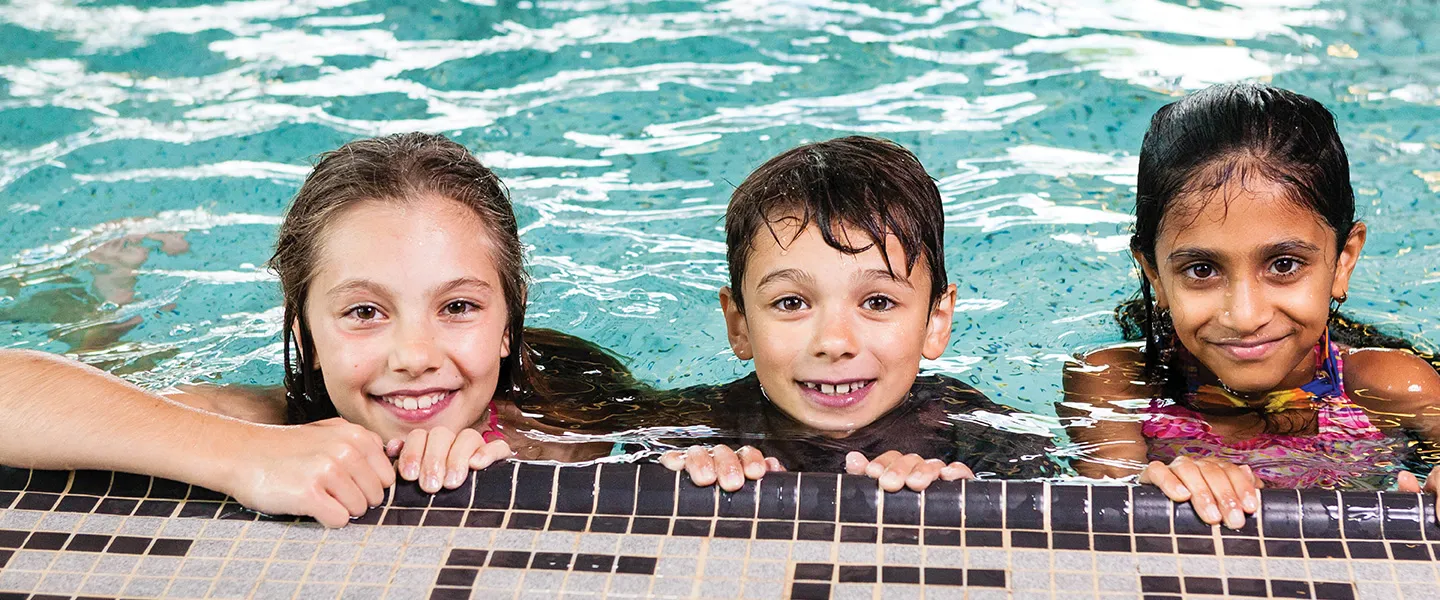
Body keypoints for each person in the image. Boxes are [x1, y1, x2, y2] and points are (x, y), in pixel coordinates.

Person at [0, 133, 613, 526]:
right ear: (306, 336)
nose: (415, 356)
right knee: (111, 369)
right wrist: (245, 456)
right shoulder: (259, 421)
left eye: (458, 307)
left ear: (508, 325)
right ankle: (104, 311)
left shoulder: (577, 428)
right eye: (364, 312)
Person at [1061, 83, 1440, 530]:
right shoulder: (1115, 385)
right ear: (1155, 275)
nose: (1244, 316)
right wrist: (1157, 485)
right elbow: (1106, 514)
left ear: (1342, 261)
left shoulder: (1391, 390)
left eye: (1284, 264)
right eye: (1202, 270)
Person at [657, 136, 1056, 492]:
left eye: (878, 302)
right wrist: (681, 478)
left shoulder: (987, 442)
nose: (834, 343)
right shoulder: (689, 430)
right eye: (791, 303)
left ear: (935, 322)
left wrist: (963, 499)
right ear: (739, 324)